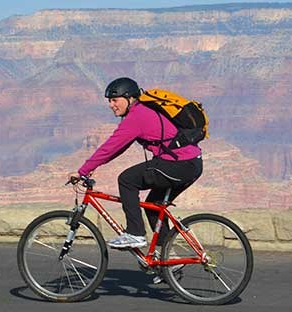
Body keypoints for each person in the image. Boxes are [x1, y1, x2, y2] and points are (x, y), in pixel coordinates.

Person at [68, 77, 203, 249]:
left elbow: (110, 147)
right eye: (109, 101)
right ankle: (166, 259)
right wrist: (93, 166)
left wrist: (82, 171)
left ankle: (135, 234)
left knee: (127, 180)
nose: (111, 105)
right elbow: (118, 148)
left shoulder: (137, 116)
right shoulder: (143, 111)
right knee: (154, 206)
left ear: (129, 98)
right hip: (190, 163)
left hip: (179, 164)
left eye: (115, 100)